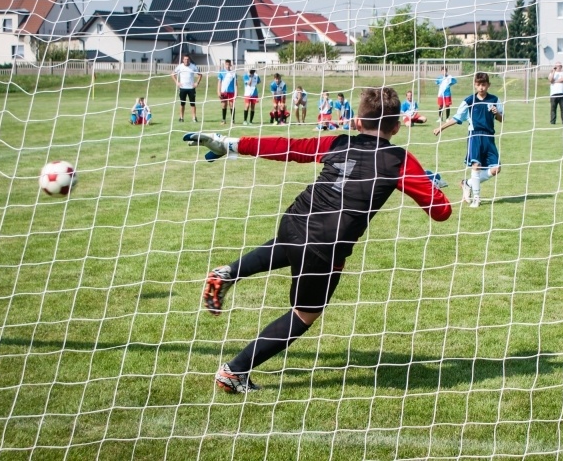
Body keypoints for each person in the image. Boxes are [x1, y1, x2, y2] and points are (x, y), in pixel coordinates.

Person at [183, 87, 452, 393]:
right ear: (397, 125)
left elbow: (288, 147)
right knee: (304, 314)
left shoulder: (338, 141)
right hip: (326, 244)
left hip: (296, 218)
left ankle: (229, 271)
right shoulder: (399, 160)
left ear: (357, 122)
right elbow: (441, 211)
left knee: (290, 245)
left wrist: (230, 144)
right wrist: (429, 184)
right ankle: (235, 371)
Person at [433, 72, 503, 209]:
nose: (481, 87)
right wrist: (441, 127)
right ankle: (476, 198)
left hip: (489, 137)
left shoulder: (495, 99)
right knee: (476, 166)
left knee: (496, 169)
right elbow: (457, 117)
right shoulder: (469, 101)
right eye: (478, 85)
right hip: (474, 136)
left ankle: (468, 183)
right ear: (475, 85)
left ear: (488, 85)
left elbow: (502, 119)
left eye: (484, 85)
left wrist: (497, 113)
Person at [171, 54, 202, 123]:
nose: (186, 60)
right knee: (182, 103)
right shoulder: (180, 66)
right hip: (183, 88)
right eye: (185, 59)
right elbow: (173, 74)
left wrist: (197, 83)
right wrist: (177, 82)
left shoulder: (193, 66)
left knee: (192, 104)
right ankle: (181, 118)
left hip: (191, 88)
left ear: (189, 60)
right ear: (183, 60)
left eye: (187, 59)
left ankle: (194, 118)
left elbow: (200, 75)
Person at [217, 59, 236, 125]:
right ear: (224, 65)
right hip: (223, 91)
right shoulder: (221, 72)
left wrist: (236, 92)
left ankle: (232, 120)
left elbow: (236, 84)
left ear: (230, 65)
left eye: (229, 65)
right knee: (224, 105)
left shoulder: (233, 73)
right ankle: (223, 120)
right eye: (226, 65)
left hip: (231, 92)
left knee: (231, 105)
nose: (227, 66)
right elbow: (219, 82)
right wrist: (218, 91)